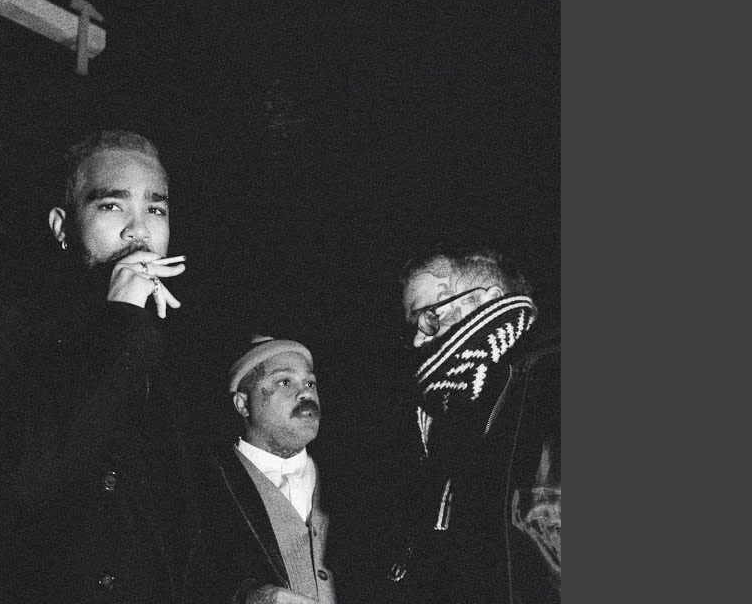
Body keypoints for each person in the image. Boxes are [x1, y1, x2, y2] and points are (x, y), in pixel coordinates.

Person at [0, 129, 198, 604]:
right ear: (61, 227)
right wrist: (122, 321)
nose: (139, 231)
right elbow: (27, 478)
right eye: (112, 206)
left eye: (156, 210)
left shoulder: (170, 361)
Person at [357, 244, 560, 603]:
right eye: (414, 326)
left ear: (486, 301)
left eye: (428, 317)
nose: (418, 339)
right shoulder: (436, 415)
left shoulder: (551, 381)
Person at [186, 336, 336, 604]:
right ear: (243, 404)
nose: (305, 394)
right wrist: (248, 597)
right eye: (284, 382)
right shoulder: (202, 486)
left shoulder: (349, 480)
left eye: (310, 383)